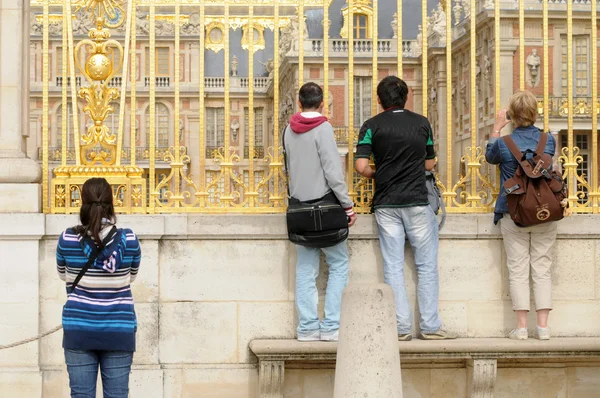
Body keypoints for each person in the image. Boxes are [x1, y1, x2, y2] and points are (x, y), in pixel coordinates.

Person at [355, 76, 455, 341]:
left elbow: (361, 167)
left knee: (394, 266)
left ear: (379, 100)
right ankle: (430, 326)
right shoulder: (422, 123)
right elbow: (430, 164)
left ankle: (400, 328)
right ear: (407, 98)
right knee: (426, 266)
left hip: (387, 203)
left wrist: (382, 172)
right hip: (417, 201)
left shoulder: (371, 126)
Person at [284, 82, 357, 342]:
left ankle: (306, 327)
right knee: (338, 264)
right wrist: (347, 205)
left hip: (300, 209)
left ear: (299, 102)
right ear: (323, 102)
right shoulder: (323, 128)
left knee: (305, 270)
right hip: (325, 209)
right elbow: (333, 172)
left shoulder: (288, 130)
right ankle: (330, 327)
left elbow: (289, 169)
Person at [56, 178, 142, 397]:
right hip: (118, 328)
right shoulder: (129, 239)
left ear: (82, 202)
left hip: (79, 328)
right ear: (111, 203)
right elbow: (131, 277)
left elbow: (63, 275)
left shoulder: (67, 238)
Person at [485, 91, 557, 340]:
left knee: (517, 269)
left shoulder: (503, 144)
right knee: (543, 267)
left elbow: (489, 157)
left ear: (512, 115)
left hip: (513, 211)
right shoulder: (548, 140)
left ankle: (522, 327)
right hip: (544, 210)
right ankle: (544, 327)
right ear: (535, 113)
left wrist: (496, 128)